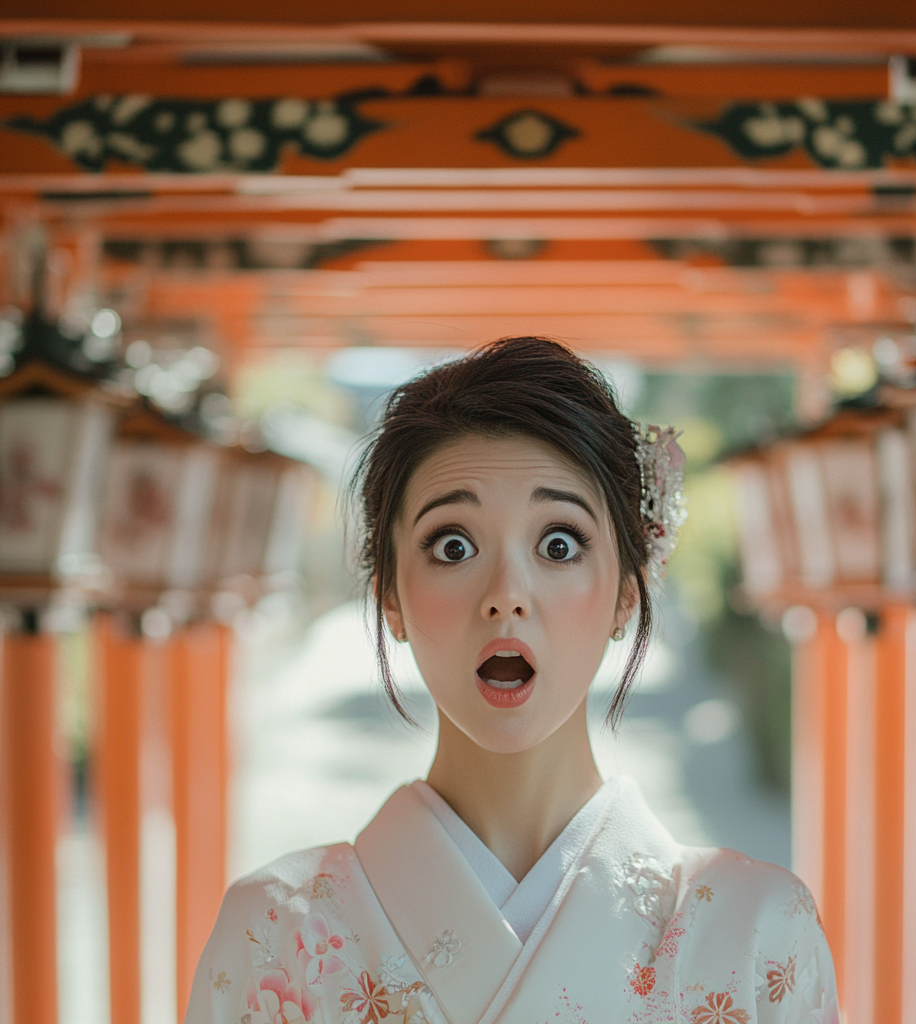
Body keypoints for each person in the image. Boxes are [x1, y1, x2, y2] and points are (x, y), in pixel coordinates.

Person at [185, 337, 837, 1024]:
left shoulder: (757, 939)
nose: (507, 595)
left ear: (626, 592)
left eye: (559, 544)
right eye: (453, 546)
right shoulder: (273, 935)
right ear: (391, 598)